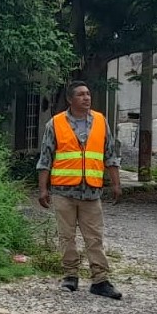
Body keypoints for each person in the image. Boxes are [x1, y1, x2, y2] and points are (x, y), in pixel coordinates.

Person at [36, 80, 123, 300]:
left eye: (88, 94)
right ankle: (70, 276)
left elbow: (110, 155)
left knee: (94, 237)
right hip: (63, 191)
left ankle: (100, 280)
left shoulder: (101, 121)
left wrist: (116, 183)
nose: (86, 98)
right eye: (81, 94)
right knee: (67, 237)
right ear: (70, 99)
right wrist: (43, 189)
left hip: (91, 192)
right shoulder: (55, 124)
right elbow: (45, 158)